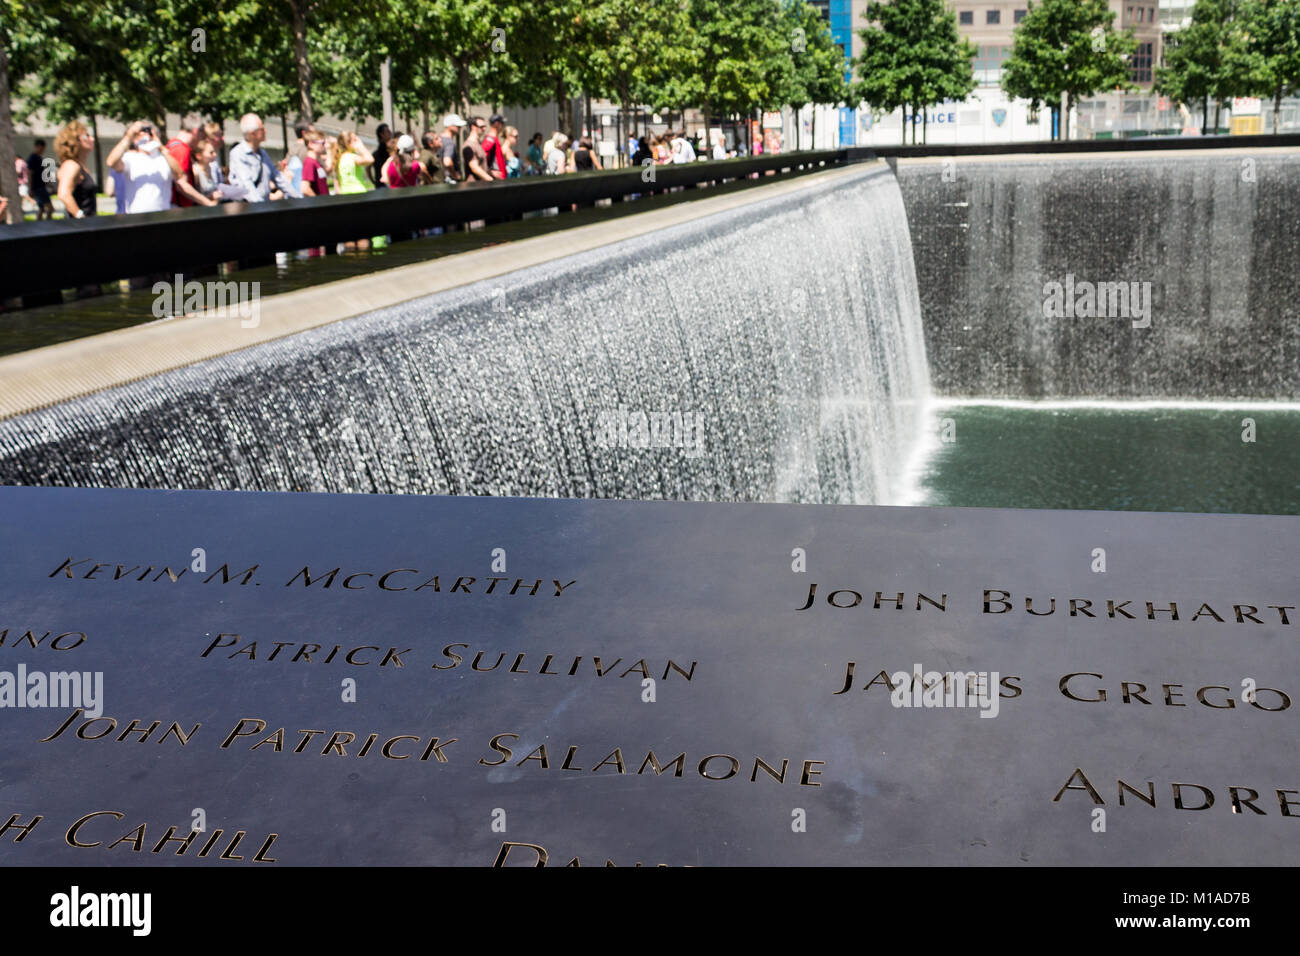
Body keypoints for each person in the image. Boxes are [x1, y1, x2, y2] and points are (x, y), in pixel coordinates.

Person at [106, 121, 184, 213]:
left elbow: (179, 174)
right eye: (141, 134)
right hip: (137, 218)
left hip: (162, 216)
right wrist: (129, 136)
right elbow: (111, 162)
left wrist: (161, 147)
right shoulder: (130, 158)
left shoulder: (163, 159)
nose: (147, 137)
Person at [228, 113, 300, 202]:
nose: (265, 131)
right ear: (252, 133)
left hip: (264, 206)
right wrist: (260, 208)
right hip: (249, 209)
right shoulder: (238, 154)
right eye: (262, 129)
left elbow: (278, 178)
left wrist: (299, 199)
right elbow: (247, 186)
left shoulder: (262, 153)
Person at [52, 121, 98, 221]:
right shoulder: (71, 165)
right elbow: (63, 194)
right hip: (79, 228)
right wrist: (81, 217)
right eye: (87, 136)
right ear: (75, 141)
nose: (92, 138)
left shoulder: (80, 166)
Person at [164, 122, 217, 207]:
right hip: (180, 208)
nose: (201, 141)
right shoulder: (182, 149)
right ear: (195, 132)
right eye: (202, 137)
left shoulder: (171, 144)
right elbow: (181, 184)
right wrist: (208, 202)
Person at [26, 138, 54, 220]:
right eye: (42, 149)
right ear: (38, 146)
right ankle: (49, 225)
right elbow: (29, 173)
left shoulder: (39, 158)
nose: (42, 151)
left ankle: (39, 226)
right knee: (50, 208)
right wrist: (29, 188)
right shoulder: (33, 158)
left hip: (40, 186)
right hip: (38, 187)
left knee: (41, 209)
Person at [461, 117, 493, 182]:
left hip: (481, 185)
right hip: (474, 187)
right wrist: (490, 180)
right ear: (473, 127)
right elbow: (474, 168)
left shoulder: (478, 143)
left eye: (485, 126)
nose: (484, 129)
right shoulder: (468, 146)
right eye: (481, 126)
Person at [300, 132, 330, 196]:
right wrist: (318, 202)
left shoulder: (315, 162)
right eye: (322, 143)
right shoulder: (309, 162)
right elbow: (304, 188)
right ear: (311, 144)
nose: (325, 146)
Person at [440, 114, 466, 181]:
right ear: (450, 126)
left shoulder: (439, 139)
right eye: (458, 126)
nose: (460, 128)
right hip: (450, 180)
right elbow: (447, 162)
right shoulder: (449, 143)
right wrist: (455, 175)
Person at [481, 113, 507, 180]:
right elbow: (481, 159)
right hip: (495, 181)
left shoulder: (494, 139)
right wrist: (491, 172)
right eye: (502, 123)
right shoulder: (490, 140)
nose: (503, 126)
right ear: (497, 124)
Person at [369, 123, 392, 188]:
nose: (390, 133)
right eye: (387, 131)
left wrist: (373, 181)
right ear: (381, 134)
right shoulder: (386, 151)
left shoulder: (375, 153)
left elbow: (368, 168)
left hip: (379, 185)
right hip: (386, 185)